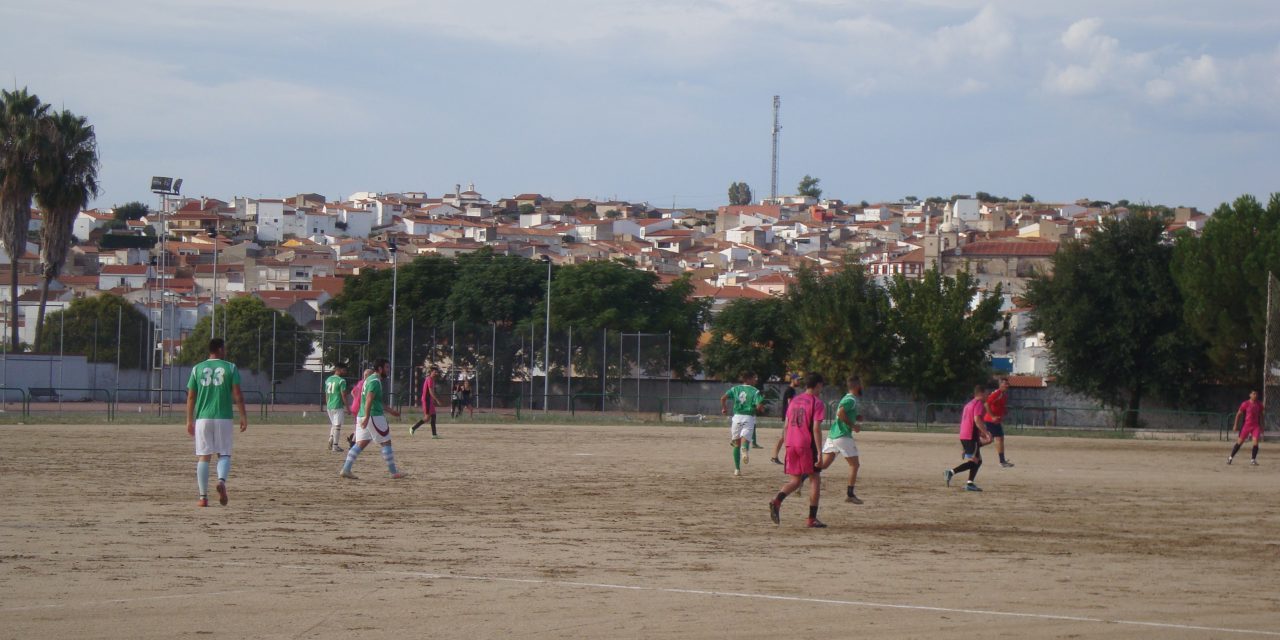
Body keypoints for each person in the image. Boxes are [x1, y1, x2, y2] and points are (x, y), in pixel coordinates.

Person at [186, 338, 248, 507]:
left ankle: (203, 497)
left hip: (203, 418)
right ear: (220, 349)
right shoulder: (230, 367)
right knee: (224, 453)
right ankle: (221, 481)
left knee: (204, 457)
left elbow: (191, 396)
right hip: (224, 416)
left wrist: (189, 420)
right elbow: (237, 395)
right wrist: (243, 416)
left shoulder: (197, 368)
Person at [769, 372, 827, 528]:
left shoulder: (794, 400)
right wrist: (820, 452)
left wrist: (787, 444)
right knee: (815, 478)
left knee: (795, 480)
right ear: (818, 385)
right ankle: (811, 519)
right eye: (822, 385)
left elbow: (786, 425)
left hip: (791, 443)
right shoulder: (817, 402)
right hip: (807, 444)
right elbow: (816, 428)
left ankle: (777, 500)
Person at [341, 359, 405, 479]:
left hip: (362, 415)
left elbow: (375, 400)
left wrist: (391, 411)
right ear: (380, 369)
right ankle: (394, 472)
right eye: (386, 367)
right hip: (373, 416)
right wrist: (367, 416)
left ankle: (346, 469)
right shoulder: (375, 381)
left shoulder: (369, 380)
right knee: (386, 442)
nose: (388, 370)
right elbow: (369, 399)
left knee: (361, 443)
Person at [816, 375, 864, 504]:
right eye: (861, 384)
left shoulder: (847, 398)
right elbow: (840, 413)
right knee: (855, 465)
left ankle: (802, 480)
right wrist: (853, 425)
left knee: (823, 465)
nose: (862, 387)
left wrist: (856, 417)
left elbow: (843, 412)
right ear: (857, 386)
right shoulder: (851, 399)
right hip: (842, 436)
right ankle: (850, 494)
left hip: (833, 435)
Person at [945, 385, 992, 492]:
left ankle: (970, 483)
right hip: (970, 436)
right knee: (974, 461)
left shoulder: (969, 404)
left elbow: (967, 421)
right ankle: (951, 472)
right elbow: (977, 420)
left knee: (978, 461)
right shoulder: (978, 403)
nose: (988, 396)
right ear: (981, 393)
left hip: (965, 435)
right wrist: (986, 433)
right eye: (987, 393)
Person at [721, 372, 764, 476]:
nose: (756, 380)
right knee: (745, 440)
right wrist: (761, 408)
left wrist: (724, 408)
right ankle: (744, 449)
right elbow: (759, 406)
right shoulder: (755, 391)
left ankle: (737, 469)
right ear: (749, 379)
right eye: (754, 378)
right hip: (748, 417)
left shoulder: (735, 389)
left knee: (736, 443)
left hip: (736, 417)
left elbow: (723, 398)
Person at [1228, 390, 1264, 465]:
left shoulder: (1259, 404)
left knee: (1256, 443)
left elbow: (1261, 415)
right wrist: (1235, 425)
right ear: (1250, 395)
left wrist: (1262, 426)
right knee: (1239, 443)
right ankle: (1230, 458)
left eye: (1256, 394)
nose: (1255, 395)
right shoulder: (1245, 404)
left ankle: (1253, 460)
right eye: (1253, 394)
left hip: (1255, 426)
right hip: (1246, 425)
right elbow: (1238, 414)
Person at [984, 377, 1013, 468]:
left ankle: (972, 448)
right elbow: (986, 404)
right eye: (1005, 384)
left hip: (996, 420)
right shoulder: (997, 393)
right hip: (991, 420)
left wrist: (1004, 411)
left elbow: (999, 406)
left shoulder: (1003, 395)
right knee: (998, 439)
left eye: (1008, 384)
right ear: (1000, 385)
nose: (1007, 386)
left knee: (992, 439)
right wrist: (992, 416)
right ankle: (1002, 461)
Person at [772, 374, 801, 465]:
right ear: (792, 380)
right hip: (789, 416)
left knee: (783, 437)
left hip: (789, 416)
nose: (799, 381)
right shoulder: (790, 390)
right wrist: (793, 416)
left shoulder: (791, 390)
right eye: (797, 379)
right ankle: (775, 456)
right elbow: (790, 403)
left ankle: (775, 456)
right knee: (784, 437)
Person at [345, 367, 374, 450]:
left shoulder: (360, 382)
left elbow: (352, 392)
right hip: (361, 407)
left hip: (355, 406)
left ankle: (353, 438)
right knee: (363, 426)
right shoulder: (369, 383)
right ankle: (353, 441)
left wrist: (356, 399)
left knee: (360, 425)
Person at [324, 363, 350, 452]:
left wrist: (327, 404)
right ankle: (335, 446)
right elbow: (344, 395)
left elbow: (326, 394)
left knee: (334, 425)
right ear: (338, 369)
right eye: (344, 370)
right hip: (337, 405)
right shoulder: (341, 381)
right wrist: (348, 407)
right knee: (337, 426)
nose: (345, 372)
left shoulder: (328, 379)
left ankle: (331, 439)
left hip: (329, 406)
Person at [411, 365, 442, 438]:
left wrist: (432, 400)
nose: (436, 373)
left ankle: (434, 435)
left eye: (436, 372)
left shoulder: (432, 379)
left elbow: (431, 392)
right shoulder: (429, 379)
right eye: (434, 372)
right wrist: (437, 400)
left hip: (429, 400)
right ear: (431, 372)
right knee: (427, 417)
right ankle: (413, 428)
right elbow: (431, 392)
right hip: (426, 400)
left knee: (433, 415)